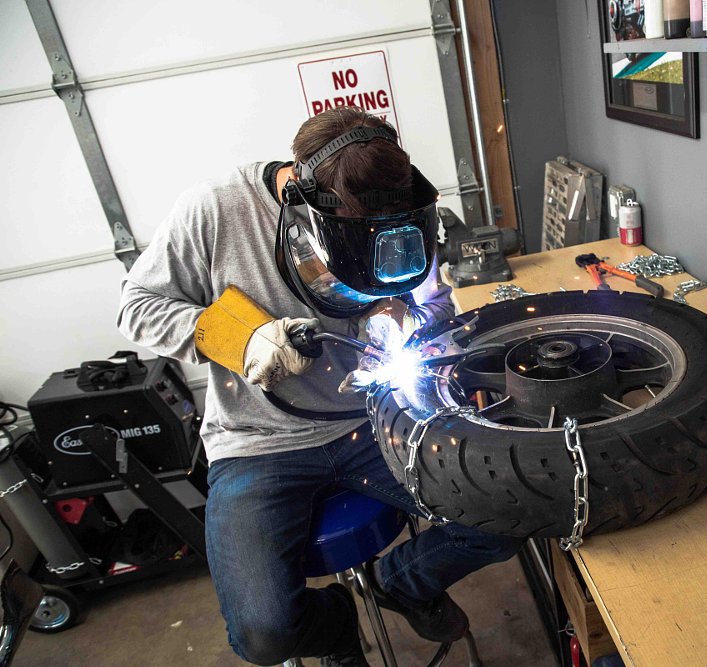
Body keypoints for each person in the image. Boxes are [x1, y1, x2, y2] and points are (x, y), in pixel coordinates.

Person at [118, 107, 522, 666]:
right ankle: (336, 630)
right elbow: (136, 308)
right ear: (301, 206)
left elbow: (429, 300)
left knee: (506, 515)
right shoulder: (214, 210)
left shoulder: (398, 212)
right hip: (258, 443)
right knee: (264, 635)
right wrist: (243, 338)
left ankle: (398, 583)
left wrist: (422, 330)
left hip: (375, 423)